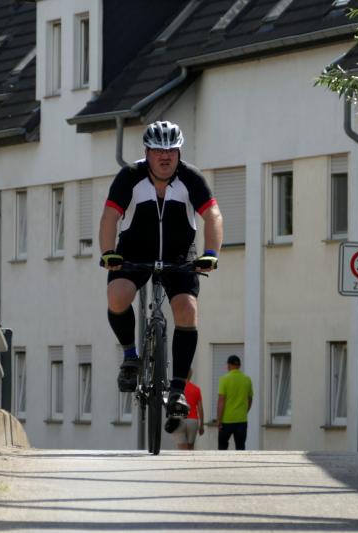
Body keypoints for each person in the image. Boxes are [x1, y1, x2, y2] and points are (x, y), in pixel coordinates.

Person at [99, 120, 223, 421]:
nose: (165, 156)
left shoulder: (191, 178)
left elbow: (212, 215)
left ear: (179, 152)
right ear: (147, 152)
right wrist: (108, 253)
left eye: (171, 150)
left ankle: (178, 389)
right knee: (117, 296)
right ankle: (130, 357)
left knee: (187, 309)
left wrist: (210, 254)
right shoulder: (130, 176)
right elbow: (110, 217)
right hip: (133, 251)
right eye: (158, 151)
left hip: (179, 255)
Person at [217, 354, 253, 450]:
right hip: (241, 420)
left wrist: (219, 420)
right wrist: (245, 411)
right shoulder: (247, 379)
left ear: (229, 365)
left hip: (226, 420)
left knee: (222, 447)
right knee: (240, 447)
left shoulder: (224, 379)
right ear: (239, 366)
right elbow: (250, 399)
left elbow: (221, 401)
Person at [172, 370, 204, 450]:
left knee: (182, 449)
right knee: (190, 448)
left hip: (179, 419)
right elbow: (200, 408)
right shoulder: (196, 389)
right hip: (192, 421)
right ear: (191, 375)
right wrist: (201, 425)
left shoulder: (176, 388)